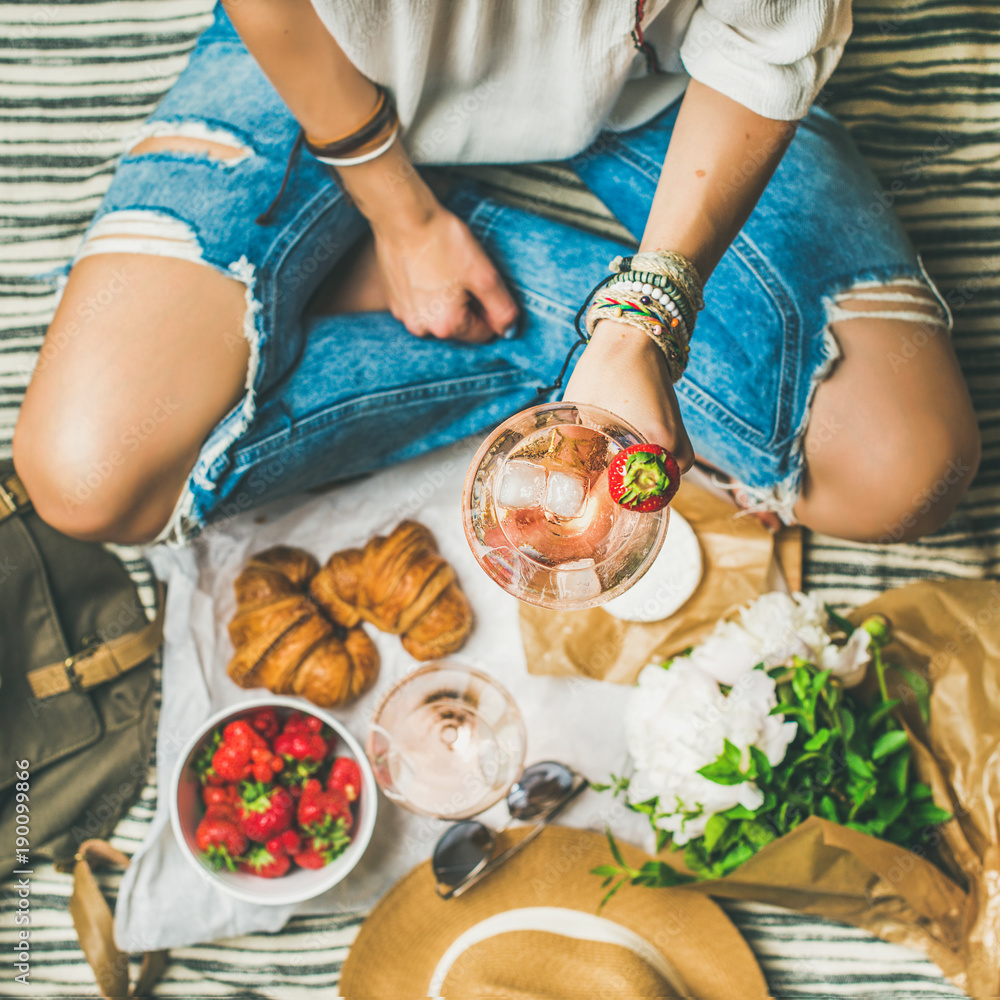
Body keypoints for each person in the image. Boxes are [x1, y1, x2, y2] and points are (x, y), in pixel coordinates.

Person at [13, 0, 980, 547]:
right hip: (342, 69)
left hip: (670, 82)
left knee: (899, 475)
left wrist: (647, 318)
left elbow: (767, 43)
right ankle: (505, 292)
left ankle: (566, 325)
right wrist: (399, 211)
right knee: (91, 482)